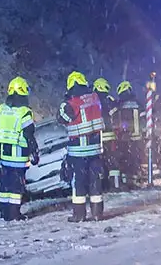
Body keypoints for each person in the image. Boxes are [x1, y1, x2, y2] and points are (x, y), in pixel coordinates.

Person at [58, 71, 106, 222]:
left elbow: (62, 118)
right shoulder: (95, 99)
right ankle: (97, 213)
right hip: (95, 150)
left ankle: (79, 215)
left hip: (78, 152)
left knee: (78, 184)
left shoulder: (71, 104)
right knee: (95, 183)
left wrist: (66, 101)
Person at [0, 76, 40, 221]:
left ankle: (4, 213)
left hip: (4, 154)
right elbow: (29, 134)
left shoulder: (1, 109)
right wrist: (34, 152)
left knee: (5, 184)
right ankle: (14, 214)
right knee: (16, 185)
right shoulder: (24, 112)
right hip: (18, 154)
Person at [94, 78, 122, 191]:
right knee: (112, 162)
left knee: (99, 163)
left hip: (95, 139)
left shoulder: (91, 101)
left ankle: (101, 186)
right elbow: (116, 115)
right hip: (109, 138)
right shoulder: (109, 100)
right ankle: (115, 185)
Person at [115, 80, 144, 188]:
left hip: (127, 139)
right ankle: (135, 180)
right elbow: (144, 119)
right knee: (135, 160)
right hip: (138, 138)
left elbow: (124, 123)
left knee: (126, 160)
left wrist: (124, 132)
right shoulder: (138, 103)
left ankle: (127, 182)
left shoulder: (122, 105)